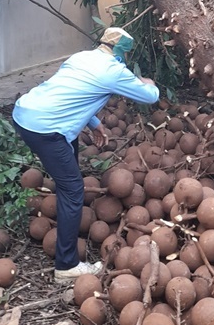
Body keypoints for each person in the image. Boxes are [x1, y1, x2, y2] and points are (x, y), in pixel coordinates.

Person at [12, 27, 160, 282]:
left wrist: (94, 123)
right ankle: (66, 266)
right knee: (73, 190)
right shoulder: (114, 70)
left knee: (68, 162)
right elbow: (149, 97)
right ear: (123, 52)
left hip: (23, 115)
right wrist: (150, 84)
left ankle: (65, 208)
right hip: (46, 130)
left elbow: (68, 93)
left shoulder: (80, 57)